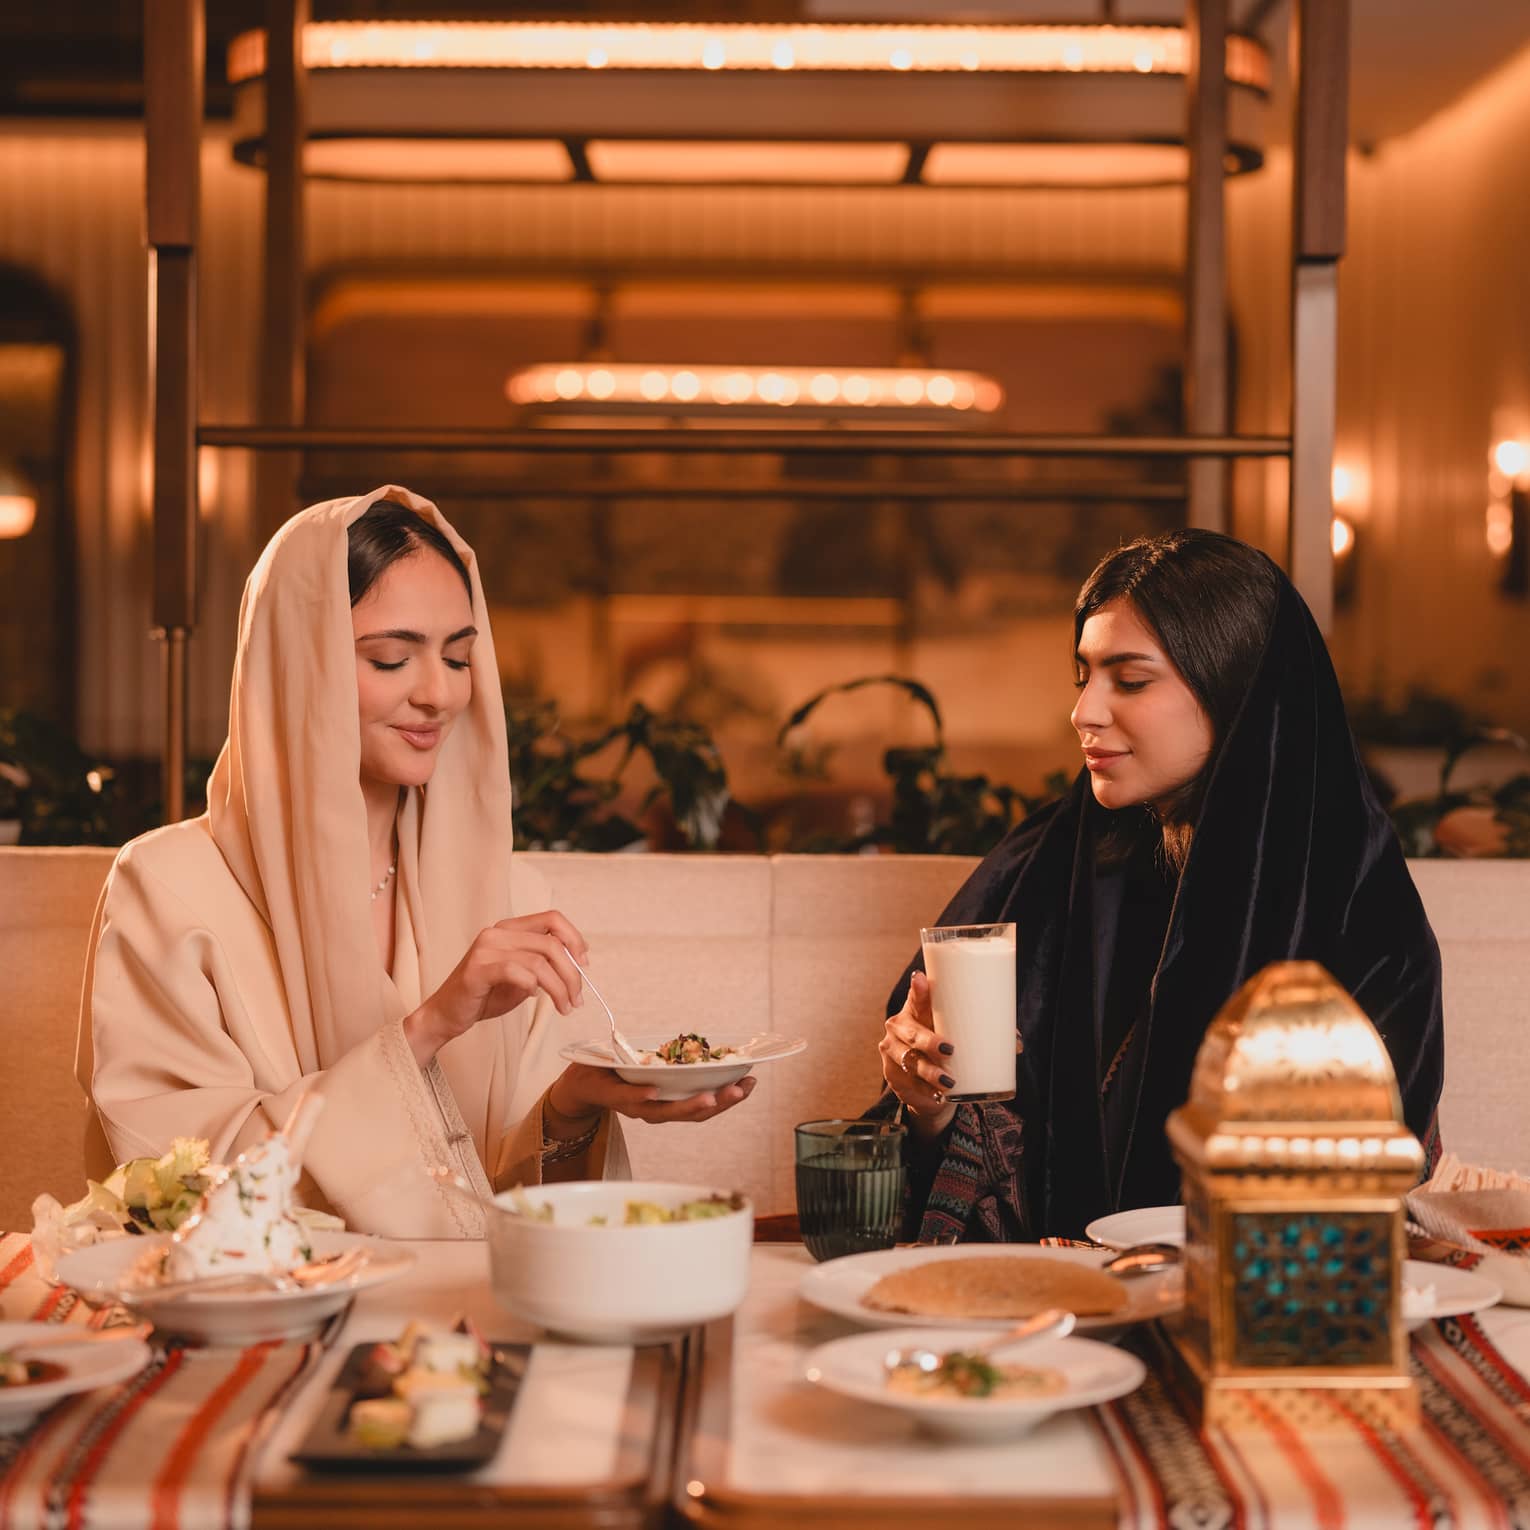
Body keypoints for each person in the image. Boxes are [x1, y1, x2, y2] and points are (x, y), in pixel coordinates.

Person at [78, 486, 753, 1237]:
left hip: (465, 1332)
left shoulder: (505, 895)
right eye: (392, 658)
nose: (439, 693)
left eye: (459, 657)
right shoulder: (168, 890)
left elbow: (501, 1214)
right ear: (297, 667)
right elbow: (175, 1193)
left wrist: (573, 1103)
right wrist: (429, 1027)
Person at [875, 529, 1445, 1243]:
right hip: (1044, 1311)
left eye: (1131, 679)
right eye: (1083, 674)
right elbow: (937, 1163)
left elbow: (1373, 1183)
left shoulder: (1354, 902)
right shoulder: (1050, 861)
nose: (1084, 712)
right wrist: (925, 1104)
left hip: (1255, 1306)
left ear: (1235, 689)